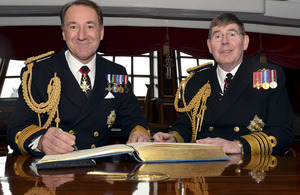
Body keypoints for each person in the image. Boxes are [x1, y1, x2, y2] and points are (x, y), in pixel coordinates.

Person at [7, 0, 150, 156]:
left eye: (90, 26)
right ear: (64, 33)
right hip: (52, 170)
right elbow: (17, 128)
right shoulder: (39, 73)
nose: (82, 36)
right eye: (73, 27)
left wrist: (139, 133)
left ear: (101, 32)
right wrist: (41, 142)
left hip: (99, 169)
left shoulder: (116, 72)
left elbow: (133, 117)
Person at [153, 13, 294, 155]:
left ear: (245, 42)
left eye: (232, 34)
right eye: (218, 36)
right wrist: (173, 138)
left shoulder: (267, 77)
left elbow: (282, 132)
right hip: (204, 165)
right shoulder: (196, 81)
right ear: (210, 45)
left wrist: (238, 145)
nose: (224, 41)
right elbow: (186, 126)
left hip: (248, 165)